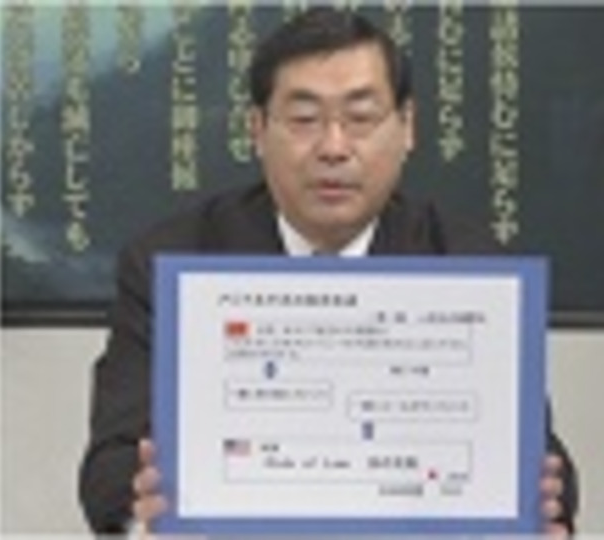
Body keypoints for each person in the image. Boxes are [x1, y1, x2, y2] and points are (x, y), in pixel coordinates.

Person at [79, 6, 578, 538]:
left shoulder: (469, 268)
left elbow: (541, 461)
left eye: (361, 118)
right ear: (257, 130)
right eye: (304, 119)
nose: (334, 148)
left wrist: (544, 510)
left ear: (407, 128)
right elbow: (110, 465)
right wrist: (143, 515)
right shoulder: (172, 262)